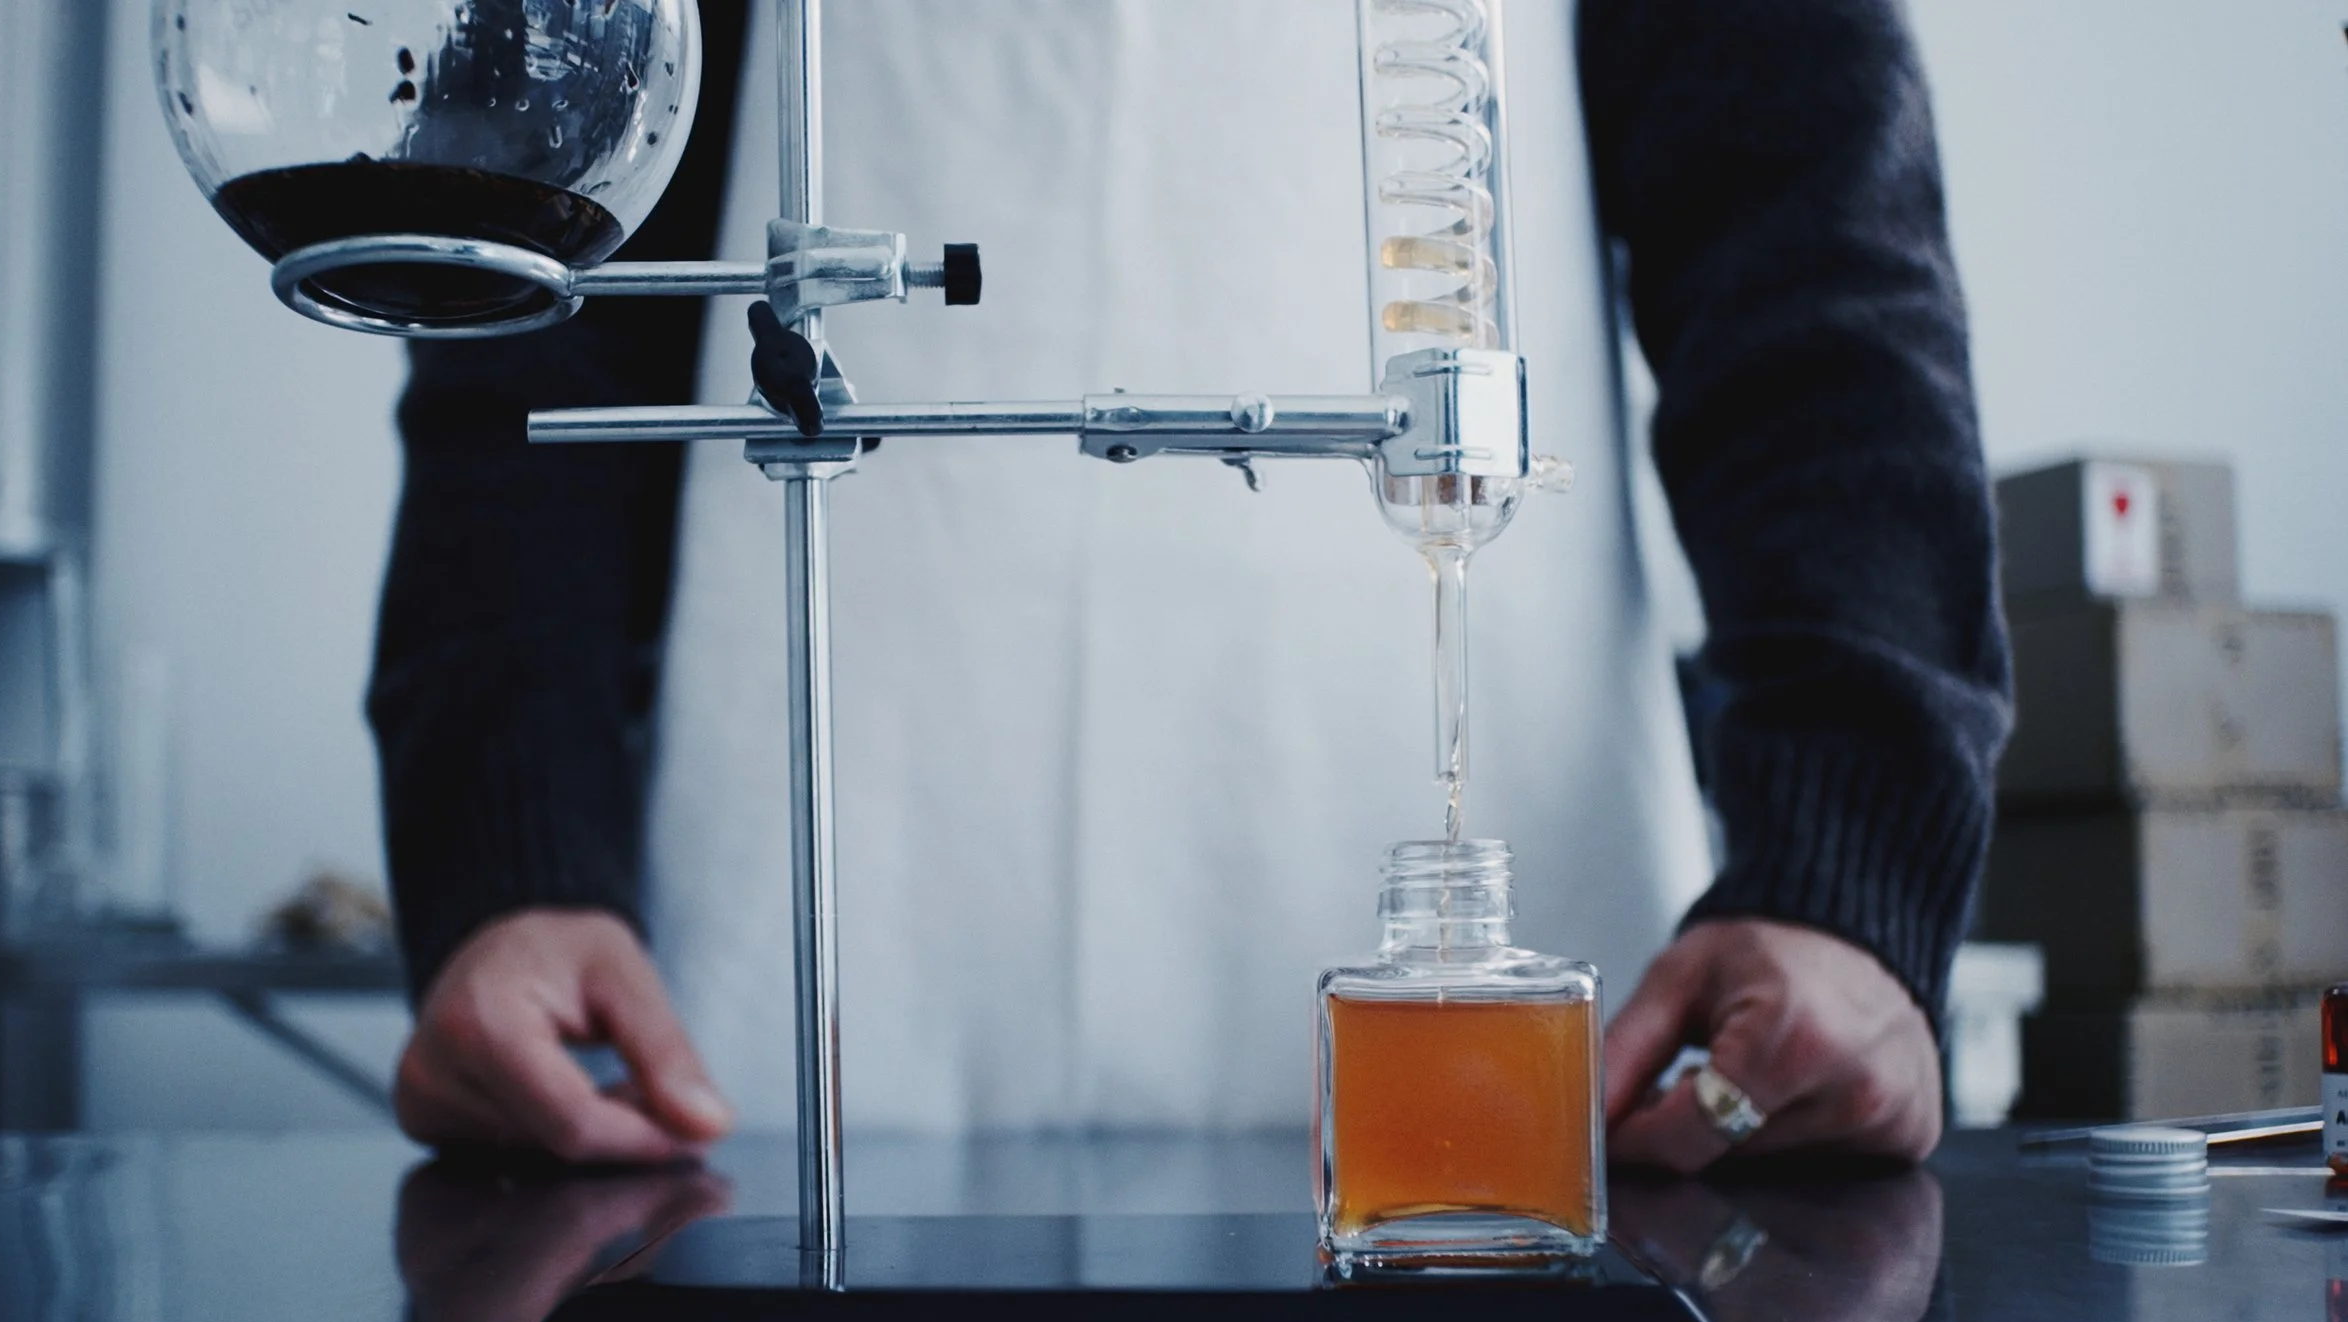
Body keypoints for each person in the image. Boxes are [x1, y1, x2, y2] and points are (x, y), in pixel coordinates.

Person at [371, 0, 2008, 1171]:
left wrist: (1840, 875)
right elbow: (529, 285)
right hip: (790, 1015)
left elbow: (1815, 277)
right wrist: (511, 860)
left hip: (1540, 1058)